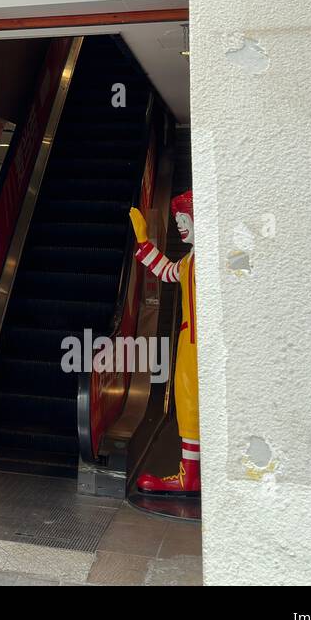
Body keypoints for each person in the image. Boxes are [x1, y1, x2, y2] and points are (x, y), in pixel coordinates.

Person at [128, 190, 199, 495]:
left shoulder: (216, 258)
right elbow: (167, 272)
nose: (180, 225)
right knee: (186, 405)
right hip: (188, 341)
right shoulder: (188, 261)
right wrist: (144, 243)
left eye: (184, 218)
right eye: (177, 219)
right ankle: (191, 474)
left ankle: (200, 474)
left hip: (202, 343)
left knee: (199, 404)